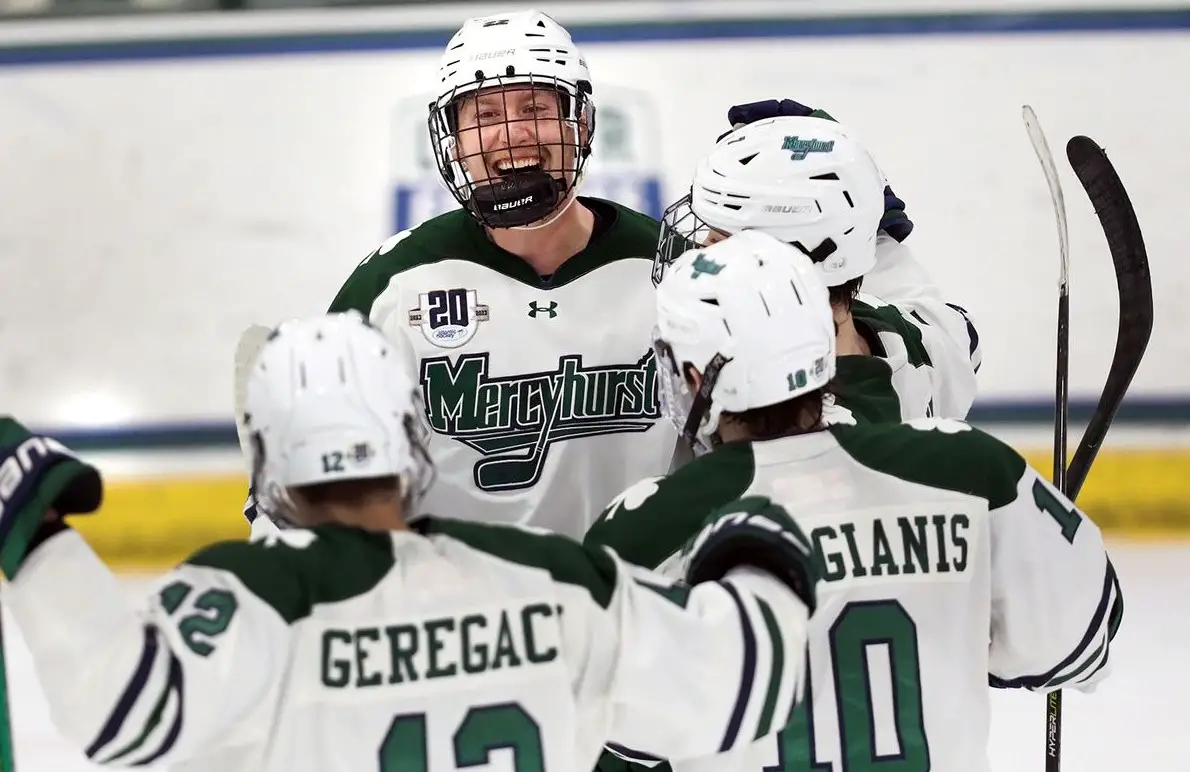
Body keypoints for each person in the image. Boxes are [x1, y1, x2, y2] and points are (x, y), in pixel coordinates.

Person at [1, 312, 823, 772]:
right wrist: (759, 535)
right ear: (409, 434)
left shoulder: (251, 598)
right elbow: (745, 681)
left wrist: (34, 529)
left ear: (267, 455)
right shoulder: (555, 579)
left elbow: (120, 709)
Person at [586, 231, 1121, 772]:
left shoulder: (646, 529)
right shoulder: (968, 469)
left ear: (697, 376)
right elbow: (1080, 645)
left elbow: (620, 737)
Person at [237, 9, 676, 541]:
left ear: (579, 123)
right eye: (485, 115)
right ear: (454, 139)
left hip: (641, 600)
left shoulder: (671, 267)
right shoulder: (394, 285)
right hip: (469, 612)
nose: (511, 135)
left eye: (534, 107)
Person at [653, 113, 981, 426]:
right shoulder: (919, 337)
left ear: (792, 264)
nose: (701, 251)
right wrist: (861, 207)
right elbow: (960, 334)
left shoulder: (776, 425)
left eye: (721, 238)